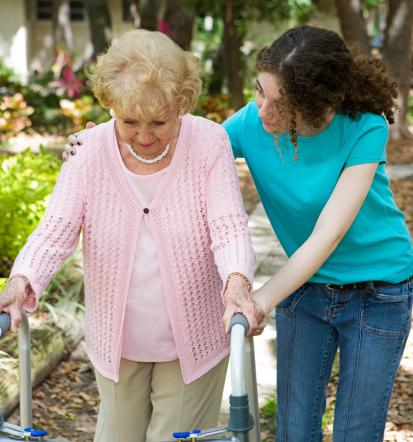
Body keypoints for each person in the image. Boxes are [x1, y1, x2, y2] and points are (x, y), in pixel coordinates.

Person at [0, 29, 265, 442]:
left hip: (193, 342)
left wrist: (237, 284)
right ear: (111, 106)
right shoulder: (86, 151)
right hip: (117, 345)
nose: (143, 136)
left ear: (182, 104)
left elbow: (227, 225)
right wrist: (21, 281)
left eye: (159, 122)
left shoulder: (209, 143)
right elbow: (56, 231)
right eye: (129, 121)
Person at [222, 25, 413, 441]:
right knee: (294, 431)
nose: (263, 111)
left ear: (316, 103)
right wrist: (98, 144)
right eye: (260, 92)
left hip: (377, 292)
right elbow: (187, 150)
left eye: (280, 104)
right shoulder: (249, 124)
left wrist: (261, 301)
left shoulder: (364, 127)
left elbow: (326, 236)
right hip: (307, 291)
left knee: (354, 434)